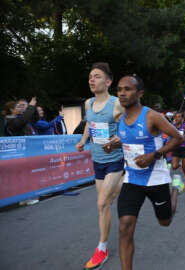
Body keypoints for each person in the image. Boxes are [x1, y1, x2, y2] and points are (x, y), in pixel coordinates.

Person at [104, 75, 184, 270]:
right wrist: (115, 144)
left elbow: (178, 138)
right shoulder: (119, 118)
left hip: (156, 178)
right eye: (119, 89)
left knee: (165, 221)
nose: (122, 93)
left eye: (127, 89)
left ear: (139, 93)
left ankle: (175, 189)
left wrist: (154, 155)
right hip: (132, 179)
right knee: (124, 227)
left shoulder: (152, 116)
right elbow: (129, 140)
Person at [75, 62, 125, 270]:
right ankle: (127, 183)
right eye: (90, 77)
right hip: (98, 161)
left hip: (115, 160)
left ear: (108, 81)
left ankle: (101, 249)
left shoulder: (116, 104)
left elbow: (127, 130)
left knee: (102, 203)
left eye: (96, 76)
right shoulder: (88, 103)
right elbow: (89, 123)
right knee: (105, 204)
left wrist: (115, 140)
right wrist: (82, 140)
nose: (91, 80)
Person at [171, 112, 185, 189]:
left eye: (179, 117)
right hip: (176, 148)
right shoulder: (172, 127)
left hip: (184, 148)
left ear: (182, 118)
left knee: (184, 168)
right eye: (175, 117)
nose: (177, 118)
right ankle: (179, 164)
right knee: (174, 167)